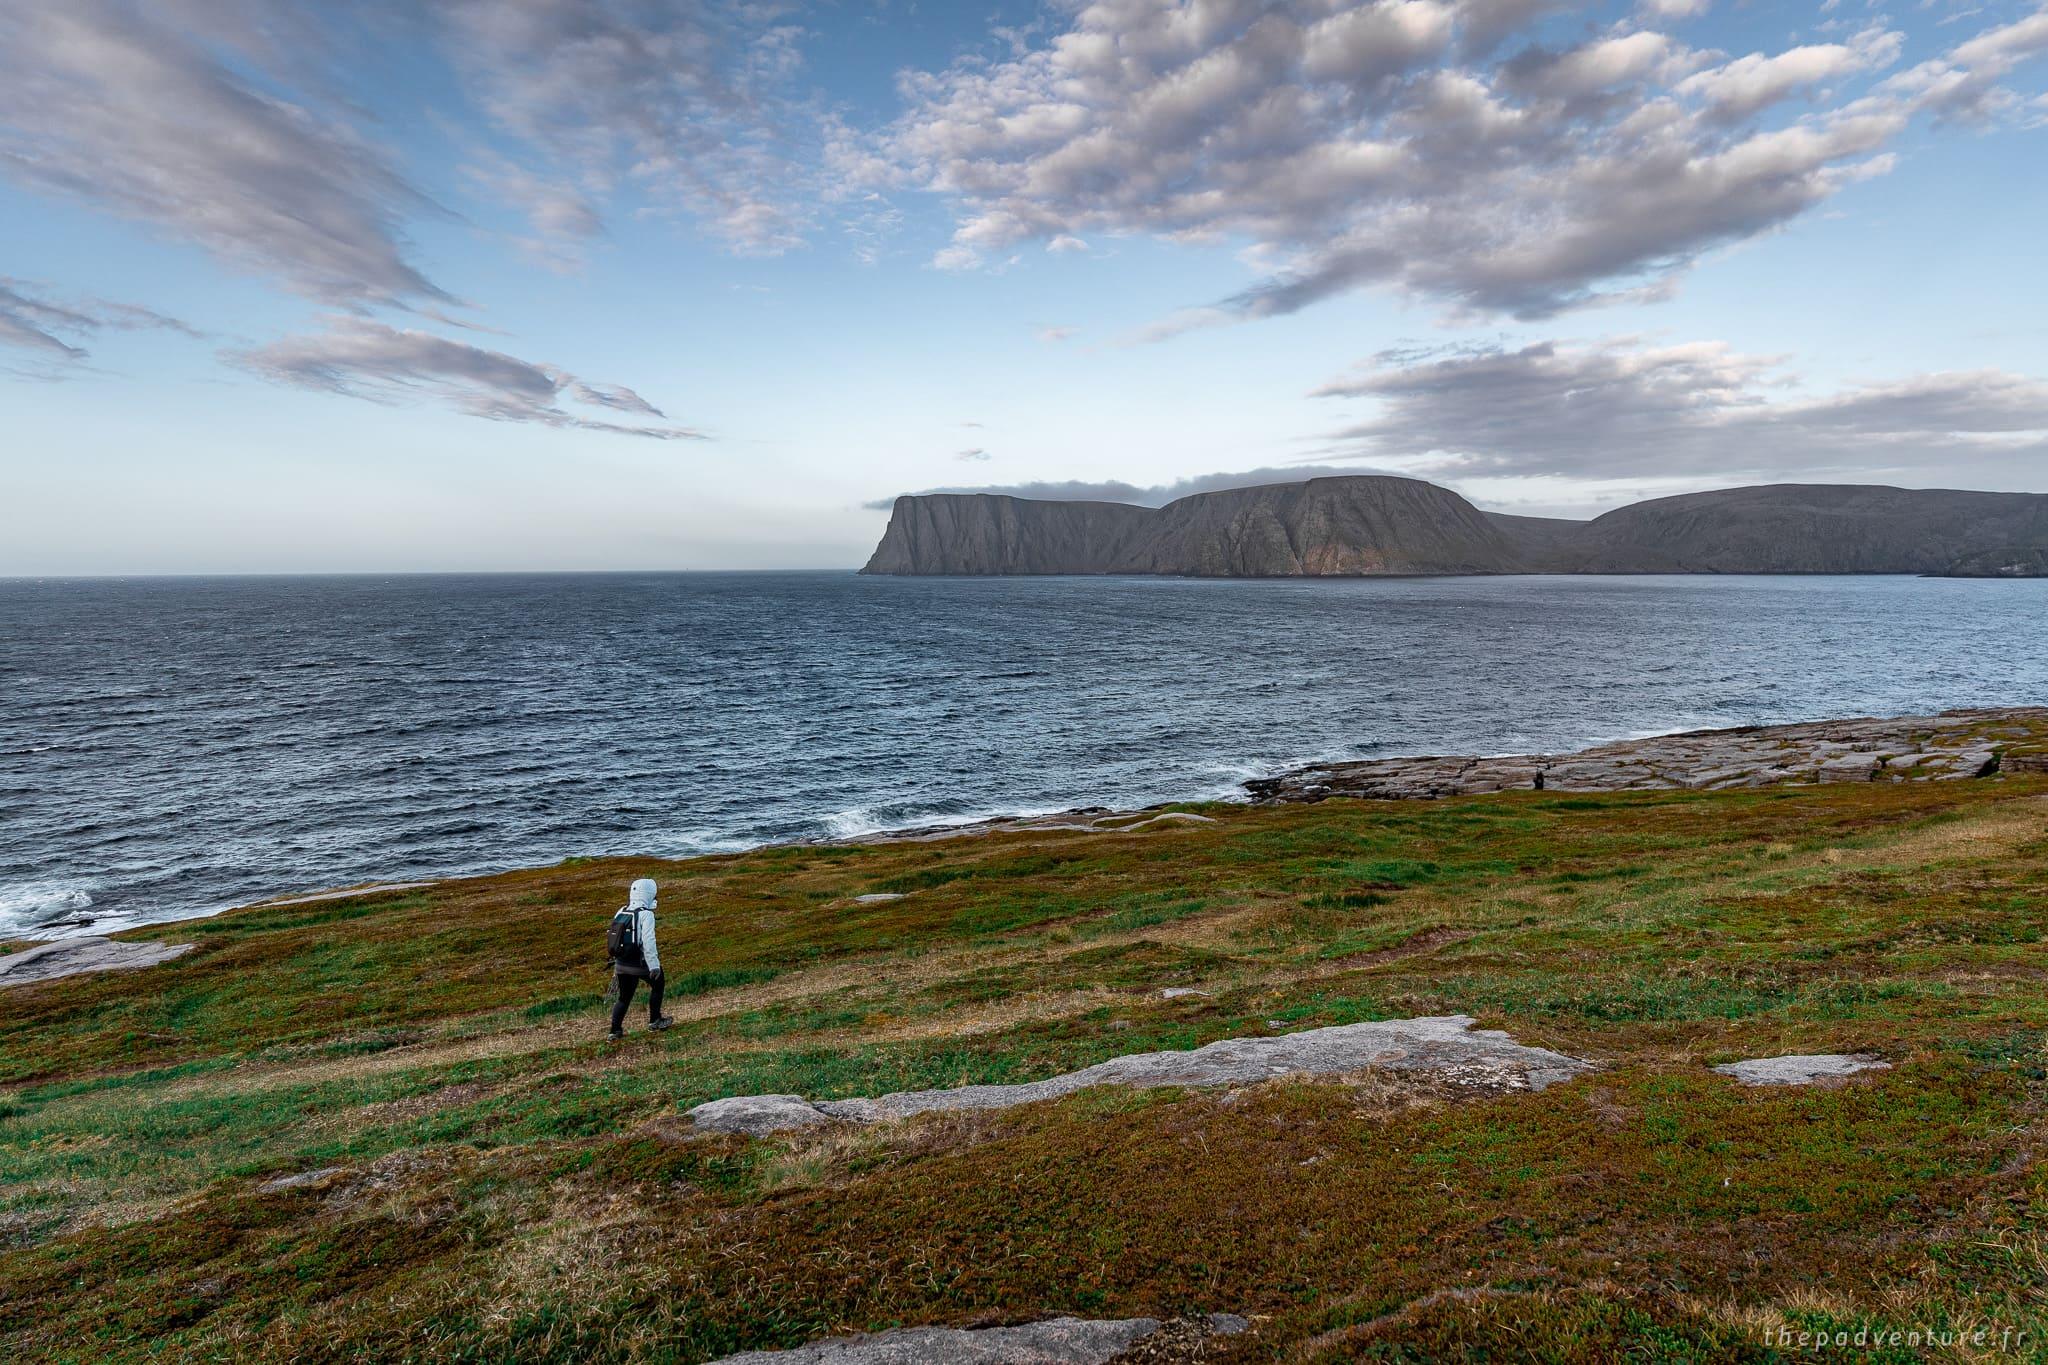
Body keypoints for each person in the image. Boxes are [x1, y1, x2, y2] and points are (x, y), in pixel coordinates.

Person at [608, 877, 671, 1038]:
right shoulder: (646, 915)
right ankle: (655, 1020)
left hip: (621, 963)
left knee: (624, 998)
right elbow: (649, 943)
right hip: (640, 963)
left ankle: (614, 1031)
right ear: (649, 895)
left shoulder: (621, 910)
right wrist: (654, 966)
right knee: (658, 985)